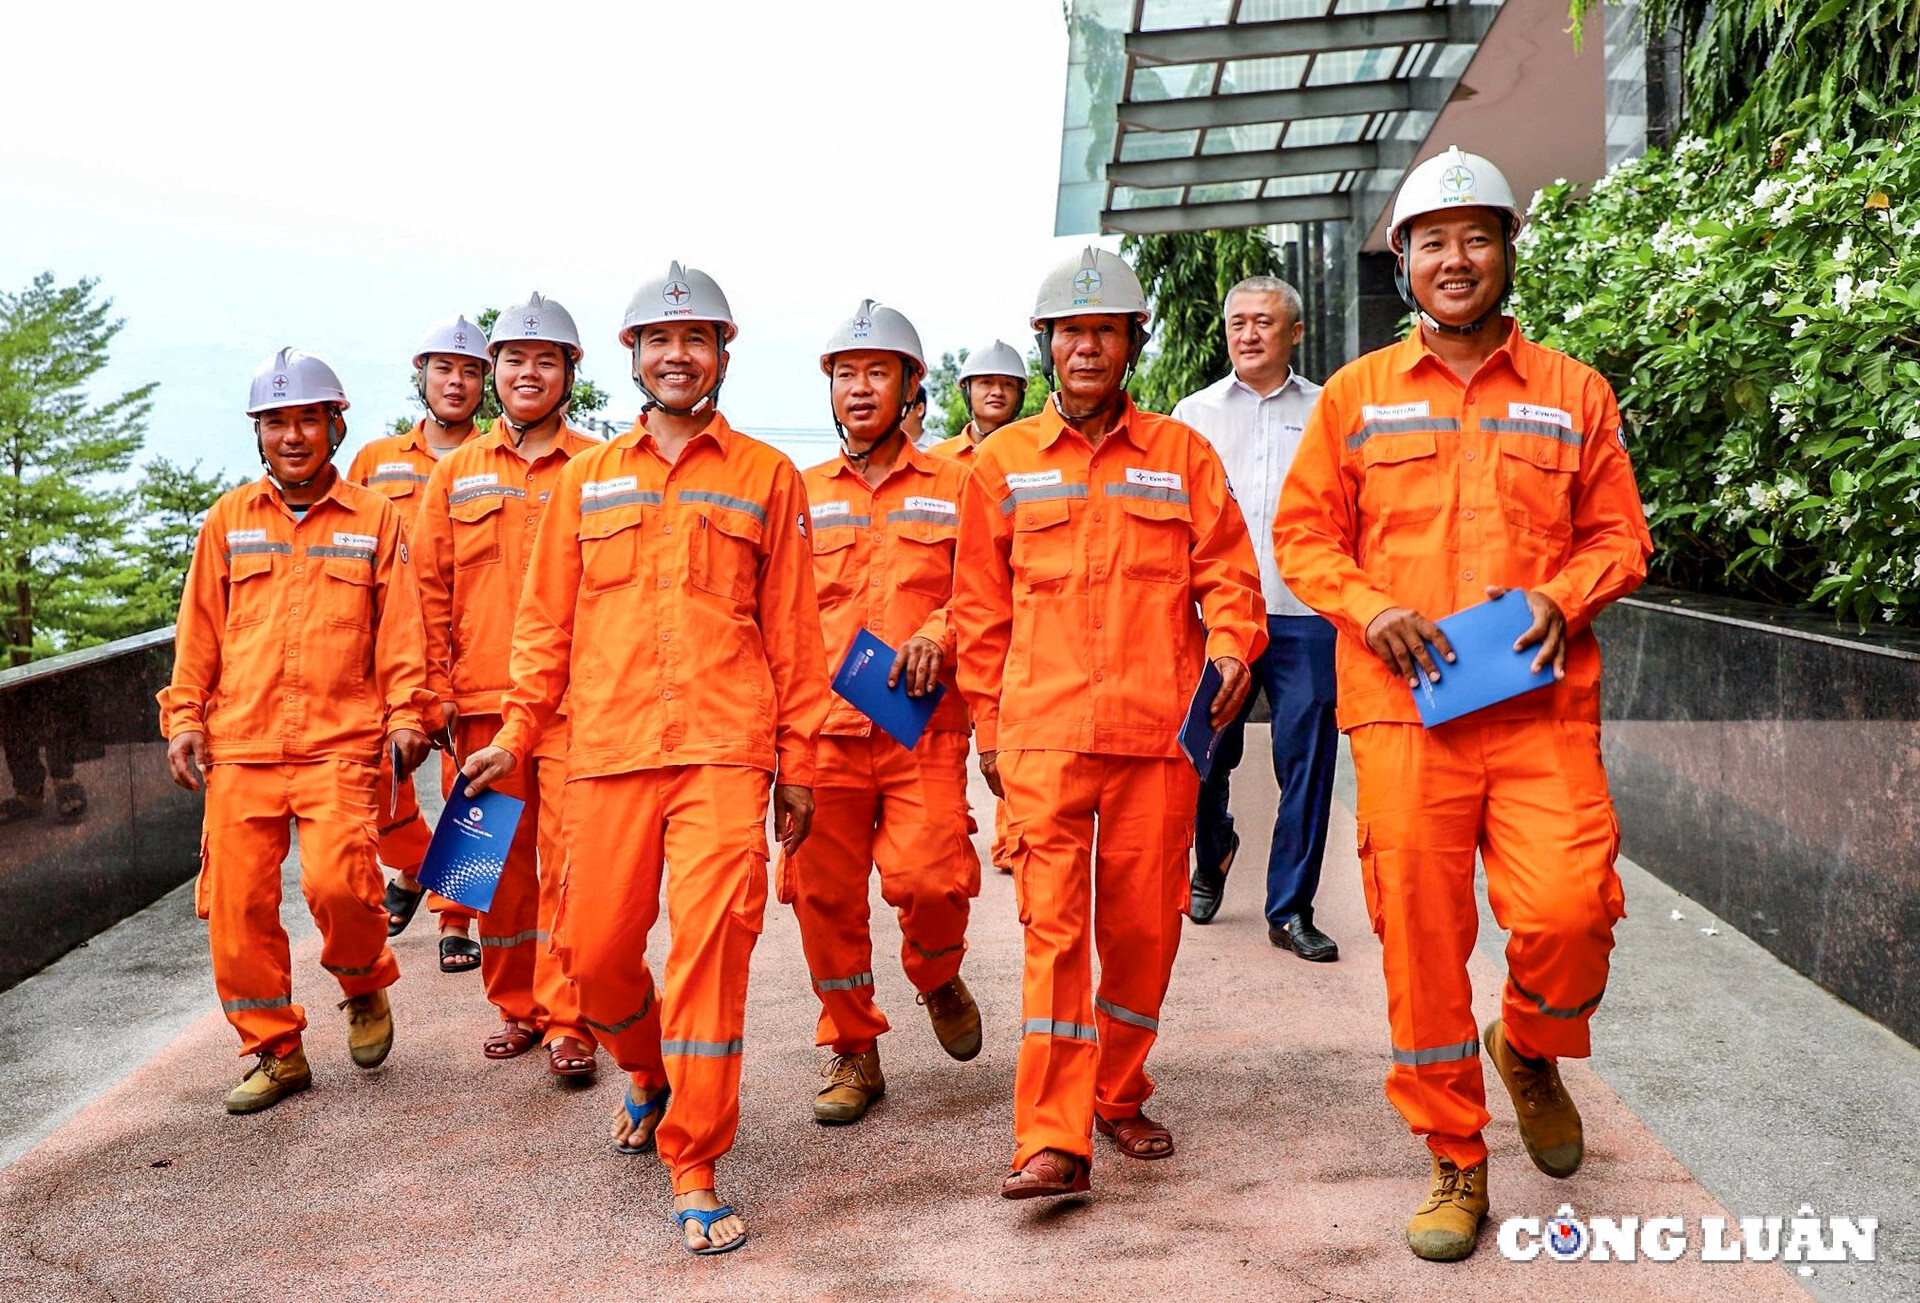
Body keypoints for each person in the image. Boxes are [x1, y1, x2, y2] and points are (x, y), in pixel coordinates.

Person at [1275, 146, 1653, 1262]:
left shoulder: (1575, 392)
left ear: (1505, 255)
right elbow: (1302, 536)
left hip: (1537, 709)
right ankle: (1454, 1157)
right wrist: (1369, 603)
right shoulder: (1353, 397)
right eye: (1432, 240)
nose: (1455, 257)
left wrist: (1563, 590)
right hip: (1403, 713)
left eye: (1476, 236)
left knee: (1571, 914)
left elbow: (1621, 535)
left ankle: (1528, 1043)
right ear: (1403, 263)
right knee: (1423, 945)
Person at [459, 262, 829, 1256]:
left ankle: (695, 1158)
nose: (678, 356)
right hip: (609, 750)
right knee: (592, 955)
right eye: (660, 342)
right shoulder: (588, 480)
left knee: (714, 949)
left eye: (697, 340)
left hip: (723, 749)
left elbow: (794, 635)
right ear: (631, 357)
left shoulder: (765, 476)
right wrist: (514, 733)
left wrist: (798, 764)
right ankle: (648, 1066)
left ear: (721, 354)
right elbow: (542, 628)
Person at [952, 247, 1267, 1200]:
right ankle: (1051, 1137)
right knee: (1054, 934)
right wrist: (989, 725)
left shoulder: (1181, 455)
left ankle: (1118, 1091)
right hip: (1044, 733)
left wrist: (1231, 648)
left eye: (1105, 330)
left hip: (1156, 739)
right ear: (1047, 344)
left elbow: (1230, 574)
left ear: (1133, 341)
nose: (1086, 346)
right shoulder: (1002, 463)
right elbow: (979, 607)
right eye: (1069, 332)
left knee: (1143, 932)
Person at [159, 348, 433, 1114]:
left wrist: (408, 713)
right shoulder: (228, 521)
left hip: (341, 738)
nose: (291, 435)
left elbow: (402, 631)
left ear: (334, 426)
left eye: (306, 419)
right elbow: (199, 635)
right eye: (275, 422)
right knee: (238, 905)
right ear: (258, 432)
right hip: (241, 742)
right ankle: (275, 1048)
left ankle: (367, 978)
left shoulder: (377, 519)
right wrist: (185, 718)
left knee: (341, 883)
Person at [791, 299, 982, 1126]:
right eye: (845, 375)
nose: (859, 389)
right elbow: (776, 611)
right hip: (824, 732)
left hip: (921, 726)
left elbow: (985, 589)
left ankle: (937, 972)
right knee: (820, 895)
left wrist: (939, 630)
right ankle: (854, 1048)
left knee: (930, 878)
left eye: (876, 372)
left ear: (912, 387)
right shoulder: (797, 494)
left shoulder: (959, 485)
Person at [414, 294, 599, 1076]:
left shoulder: (600, 467)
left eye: (545, 359)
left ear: (569, 374)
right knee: (488, 869)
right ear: (495, 372)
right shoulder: (455, 476)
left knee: (570, 862)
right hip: (479, 706)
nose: (529, 372)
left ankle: (569, 1020)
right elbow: (422, 588)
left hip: (573, 703)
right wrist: (427, 694)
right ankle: (514, 1005)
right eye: (515, 359)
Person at [1170, 278, 1339, 960]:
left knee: (1308, 763)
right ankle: (1212, 855)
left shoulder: (1329, 409)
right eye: (1237, 321)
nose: (1248, 334)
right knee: (1208, 754)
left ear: (1294, 332)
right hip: (1220, 620)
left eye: (1263, 322)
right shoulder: (1194, 413)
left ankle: (1290, 907)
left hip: (1307, 615)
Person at [346, 315, 490, 971]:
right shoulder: (376, 462)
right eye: (444, 368)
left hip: (468, 647)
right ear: (421, 375)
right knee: (379, 776)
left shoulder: (493, 462)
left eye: (468, 370)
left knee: (473, 785)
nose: (455, 382)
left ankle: (457, 915)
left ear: (483, 382)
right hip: (387, 649)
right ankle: (411, 865)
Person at [929, 338, 1028, 877]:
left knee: (1008, 726)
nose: (996, 392)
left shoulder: (1031, 457)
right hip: (944, 614)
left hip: (1006, 613)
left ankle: (1014, 836)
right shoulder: (937, 463)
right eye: (986, 383)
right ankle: (948, 822)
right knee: (945, 733)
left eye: (1007, 385)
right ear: (966, 391)